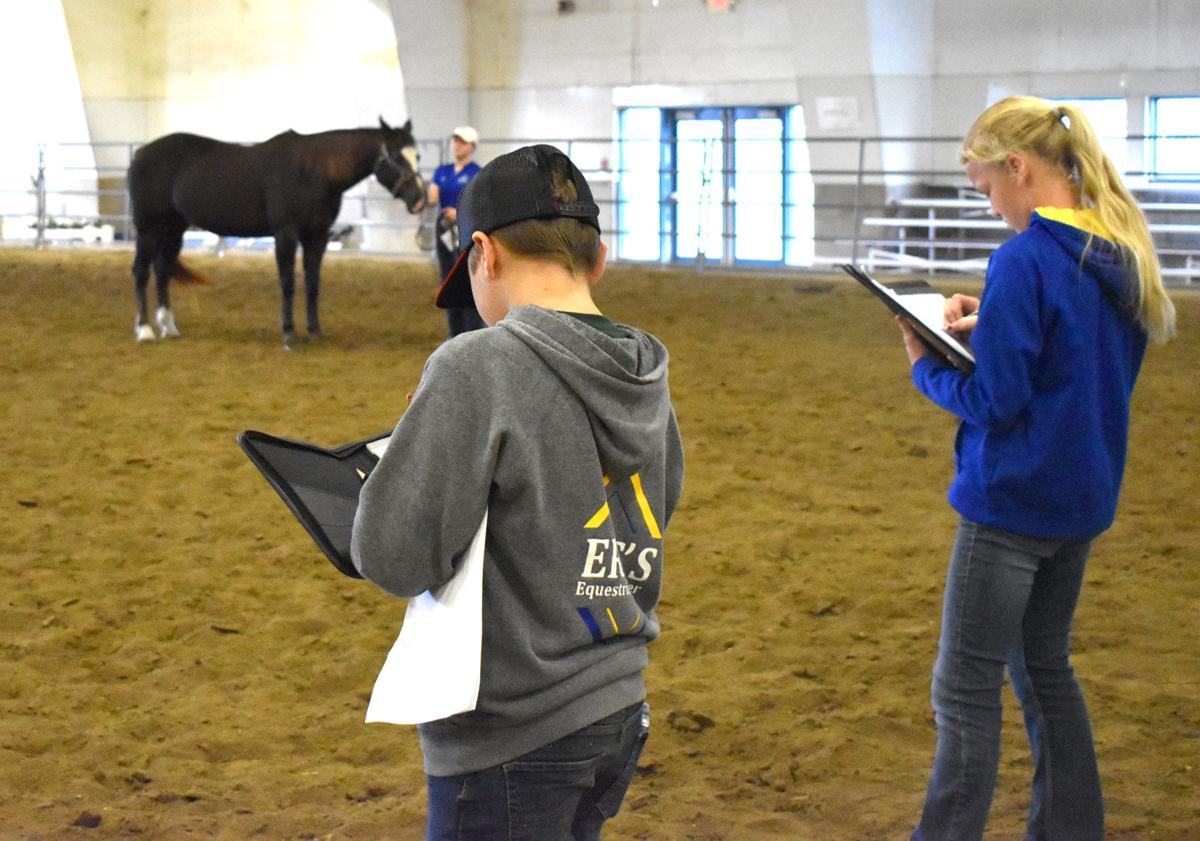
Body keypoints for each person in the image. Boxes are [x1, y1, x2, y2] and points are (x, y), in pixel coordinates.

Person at [351, 144, 685, 841]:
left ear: (484, 253)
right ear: (597, 259)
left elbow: (392, 555)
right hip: (615, 700)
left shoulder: (476, 363)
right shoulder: (644, 371)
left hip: (514, 727)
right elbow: (652, 501)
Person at [896, 96, 1176, 841]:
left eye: (987, 186)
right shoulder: (1118, 250)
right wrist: (997, 322)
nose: (990, 205)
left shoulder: (1024, 259)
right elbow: (1075, 357)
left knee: (964, 693)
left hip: (1010, 505)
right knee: (1047, 669)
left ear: (1017, 168)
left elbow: (996, 397)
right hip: (1080, 498)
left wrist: (925, 365)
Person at [428, 126, 485, 336]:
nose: (457, 145)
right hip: (444, 229)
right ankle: (455, 333)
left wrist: (458, 211)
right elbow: (432, 198)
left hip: (466, 229)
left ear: (471, 146)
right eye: (455, 141)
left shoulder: (477, 173)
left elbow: (479, 203)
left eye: (462, 142)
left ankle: (472, 331)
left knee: (469, 279)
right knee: (447, 279)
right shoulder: (442, 171)